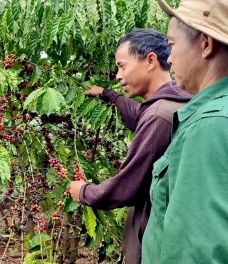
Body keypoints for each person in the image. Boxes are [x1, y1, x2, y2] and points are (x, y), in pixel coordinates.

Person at [141, 0, 228, 263]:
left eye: (172, 44)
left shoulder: (215, 126)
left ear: (205, 44)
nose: (168, 58)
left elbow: (202, 254)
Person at [68, 28, 192, 264]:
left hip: (156, 240)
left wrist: (84, 191)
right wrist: (108, 94)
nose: (118, 75)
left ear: (150, 60)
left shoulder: (159, 116)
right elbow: (139, 114)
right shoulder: (176, 102)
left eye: (122, 66)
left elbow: (128, 184)